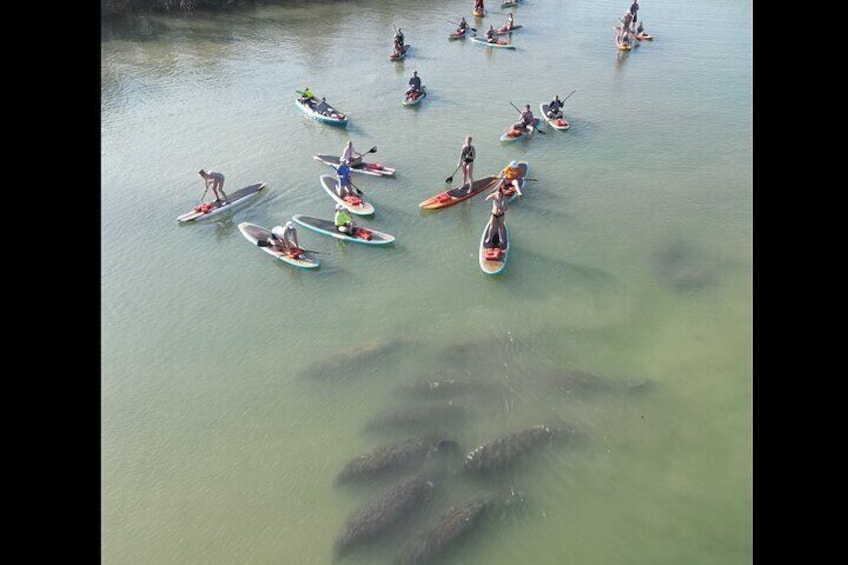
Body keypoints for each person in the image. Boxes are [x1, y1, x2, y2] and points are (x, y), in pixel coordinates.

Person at [483, 184, 508, 249]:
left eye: (500, 193)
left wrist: (504, 207)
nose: (499, 194)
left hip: (501, 215)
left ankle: (501, 240)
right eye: (498, 193)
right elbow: (486, 198)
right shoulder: (494, 195)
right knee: (491, 226)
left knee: (501, 227)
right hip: (494, 214)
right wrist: (490, 197)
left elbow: (507, 208)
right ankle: (489, 238)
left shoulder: (504, 198)